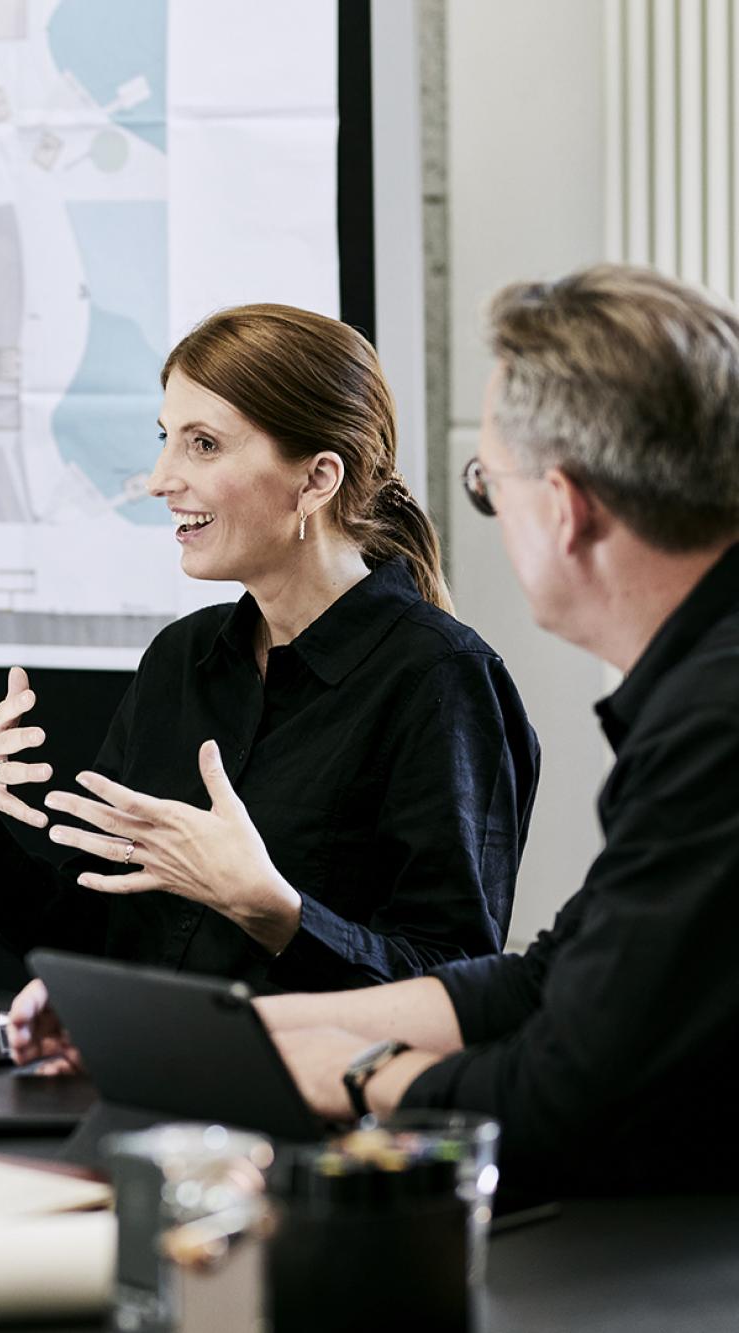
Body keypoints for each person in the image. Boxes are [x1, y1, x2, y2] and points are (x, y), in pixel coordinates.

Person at [0, 304, 539, 1062]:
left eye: (204, 444)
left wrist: (274, 910)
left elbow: (453, 994)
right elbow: (95, 935)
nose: (160, 479)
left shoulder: (443, 683)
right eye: (167, 439)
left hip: (316, 1137)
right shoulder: (180, 661)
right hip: (137, 1098)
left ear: (317, 478)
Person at [258, 265, 739, 1194]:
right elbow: (553, 980)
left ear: (565, 509)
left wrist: (349, 1075)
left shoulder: (715, 728)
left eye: (490, 487)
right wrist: (247, 1029)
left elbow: (565, 1093)